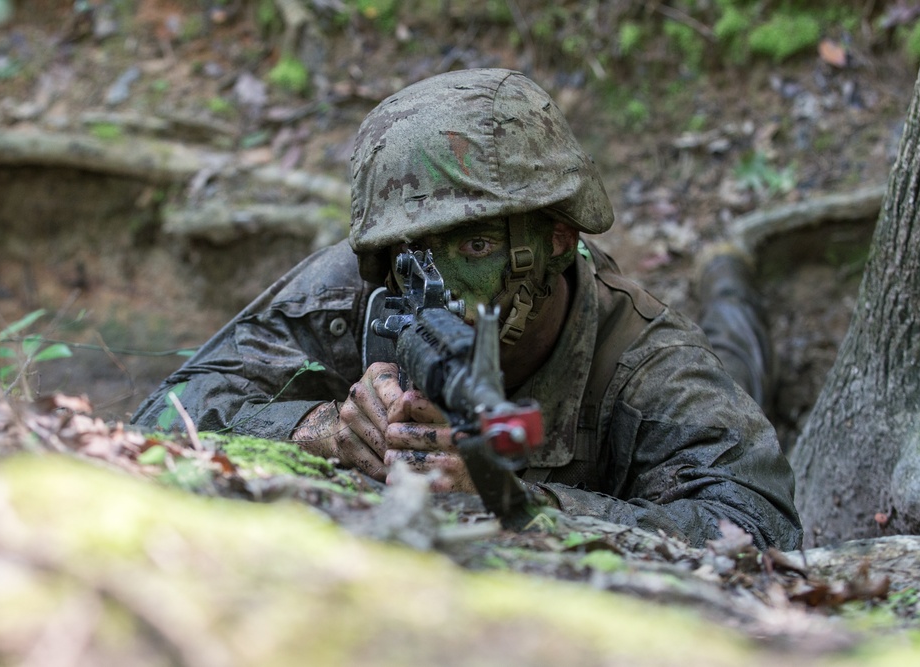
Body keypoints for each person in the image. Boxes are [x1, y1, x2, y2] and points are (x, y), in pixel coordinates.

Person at [132, 68, 802, 550]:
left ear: (557, 238)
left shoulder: (644, 360)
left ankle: (730, 274)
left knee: (737, 360)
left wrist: (520, 504)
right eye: (412, 249)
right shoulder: (357, 285)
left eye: (475, 243)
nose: (437, 277)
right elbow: (160, 415)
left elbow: (761, 527)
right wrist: (321, 427)